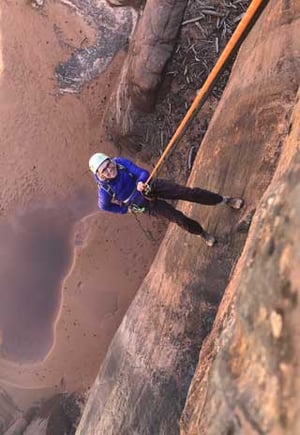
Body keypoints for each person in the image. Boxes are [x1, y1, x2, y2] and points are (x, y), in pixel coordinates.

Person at [88, 153, 244, 247]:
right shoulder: (104, 191)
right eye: (104, 171)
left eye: (109, 165)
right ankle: (202, 233)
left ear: (111, 160)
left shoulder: (120, 163)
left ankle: (224, 200)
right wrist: (124, 209)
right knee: (178, 218)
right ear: (99, 175)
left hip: (150, 186)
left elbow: (141, 172)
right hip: (144, 204)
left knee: (187, 193)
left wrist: (141, 182)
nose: (110, 170)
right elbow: (104, 206)